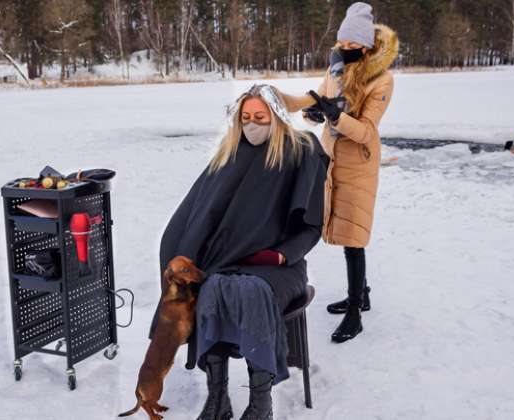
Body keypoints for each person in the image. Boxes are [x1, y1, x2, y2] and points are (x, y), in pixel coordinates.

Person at [149, 84, 329, 420]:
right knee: (211, 287)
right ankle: (218, 400)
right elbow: (198, 214)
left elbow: (311, 228)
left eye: (260, 117)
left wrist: (280, 256)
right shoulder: (229, 155)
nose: (252, 124)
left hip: (277, 266)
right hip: (227, 261)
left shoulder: (300, 152)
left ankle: (261, 404)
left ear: (276, 116)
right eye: (245, 117)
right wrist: (181, 256)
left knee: (250, 290)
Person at [280, 2, 399, 343]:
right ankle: (360, 294)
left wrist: (335, 117)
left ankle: (355, 312)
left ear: (366, 45)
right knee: (342, 230)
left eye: (352, 45)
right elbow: (316, 98)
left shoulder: (382, 79)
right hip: (330, 159)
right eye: (341, 43)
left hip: (358, 163)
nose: (344, 49)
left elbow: (366, 132)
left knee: (353, 236)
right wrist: (311, 114)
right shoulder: (335, 67)